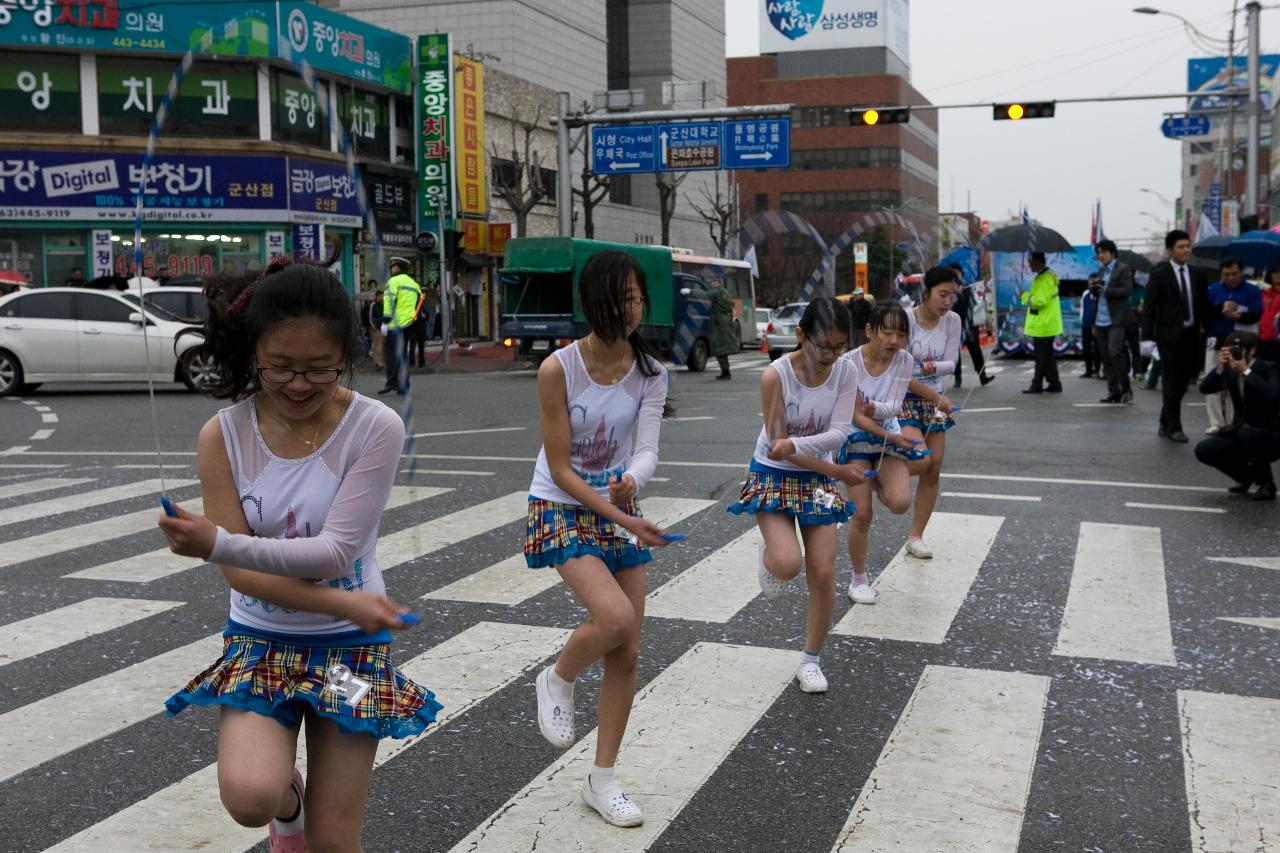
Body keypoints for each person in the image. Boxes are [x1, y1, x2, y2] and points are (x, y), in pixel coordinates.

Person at [156, 257, 440, 852]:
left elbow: (335, 552)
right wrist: (227, 552)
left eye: (320, 369)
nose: (298, 385)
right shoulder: (223, 434)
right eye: (280, 367)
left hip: (349, 654)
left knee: (335, 841)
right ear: (253, 351)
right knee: (249, 796)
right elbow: (242, 575)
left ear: (347, 355)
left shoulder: (375, 427)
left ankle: (308, 821)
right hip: (261, 644)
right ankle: (288, 806)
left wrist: (215, 543)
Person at [524, 250, 674, 828]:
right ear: (594, 304)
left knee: (628, 649)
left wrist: (633, 481)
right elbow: (561, 468)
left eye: (638, 297)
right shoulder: (558, 369)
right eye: (621, 299)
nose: (632, 309)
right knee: (615, 618)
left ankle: (602, 779)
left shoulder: (652, 373)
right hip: (562, 503)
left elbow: (648, 446)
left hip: (617, 503)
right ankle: (557, 677)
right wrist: (626, 516)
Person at [727, 297, 859, 695]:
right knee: (787, 565)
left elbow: (839, 433)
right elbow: (776, 443)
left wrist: (799, 445)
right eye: (823, 346)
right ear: (801, 336)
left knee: (823, 571)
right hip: (774, 474)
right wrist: (792, 448)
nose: (830, 356)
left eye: (838, 347)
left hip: (816, 478)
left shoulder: (845, 372)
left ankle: (810, 660)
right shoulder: (775, 376)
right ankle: (771, 558)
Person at [837, 301, 935, 604]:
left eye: (901, 335)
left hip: (887, 436)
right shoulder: (848, 363)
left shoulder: (904, 360)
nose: (894, 341)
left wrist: (879, 415)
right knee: (863, 514)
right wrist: (888, 431)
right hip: (855, 438)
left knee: (900, 503)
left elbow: (894, 405)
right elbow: (855, 416)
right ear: (869, 330)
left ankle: (877, 479)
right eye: (887, 333)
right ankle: (858, 579)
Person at [900, 267, 959, 559]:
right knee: (920, 457)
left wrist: (932, 368)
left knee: (934, 466)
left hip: (934, 399)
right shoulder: (906, 320)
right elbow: (900, 371)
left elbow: (952, 362)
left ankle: (916, 536)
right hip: (904, 397)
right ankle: (885, 477)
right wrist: (935, 392)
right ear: (927, 293)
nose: (947, 301)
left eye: (952, 295)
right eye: (942, 294)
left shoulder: (952, 321)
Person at [1140, 229, 1210, 443]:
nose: (1186, 250)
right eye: (1181, 247)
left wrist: (1208, 329)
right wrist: (1147, 338)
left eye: (1188, 246)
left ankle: (1164, 419)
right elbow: (1150, 307)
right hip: (1168, 337)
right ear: (1170, 250)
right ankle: (1174, 426)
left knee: (1183, 381)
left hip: (1191, 336)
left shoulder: (1198, 274)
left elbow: (1203, 306)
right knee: (1171, 381)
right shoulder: (1159, 274)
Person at [1193, 331, 1280, 500]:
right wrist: (1219, 366)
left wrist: (1247, 372)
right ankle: (1245, 477)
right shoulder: (1230, 370)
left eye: (1239, 350)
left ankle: (1266, 483)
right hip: (1241, 432)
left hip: (1270, 435)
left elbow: (1273, 395)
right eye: (1230, 351)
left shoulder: (1269, 368)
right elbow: (1205, 388)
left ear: (1252, 351)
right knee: (1204, 450)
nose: (1235, 355)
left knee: (1246, 433)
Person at [1204, 258, 1263, 435]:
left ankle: (1234, 420)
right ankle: (1216, 422)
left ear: (1241, 272)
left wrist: (1239, 314)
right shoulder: (1215, 289)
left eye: (1234, 274)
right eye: (1226, 275)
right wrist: (1220, 307)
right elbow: (1205, 311)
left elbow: (1257, 313)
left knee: (1236, 383)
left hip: (1241, 344)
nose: (1230, 278)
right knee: (1213, 380)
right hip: (1217, 342)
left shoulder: (1251, 290)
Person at [1094, 239, 1135, 404]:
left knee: (1114, 352)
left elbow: (1126, 290)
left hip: (1116, 319)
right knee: (1105, 357)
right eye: (1098, 252)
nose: (1100, 255)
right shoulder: (1101, 270)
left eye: (1103, 252)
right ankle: (1113, 391)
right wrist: (1093, 287)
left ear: (1112, 252)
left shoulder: (1123, 269)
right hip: (1100, 318)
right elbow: (1098, 293)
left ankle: (1126, 389)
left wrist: (1106, 289)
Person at [1020, 252, 1063, 394]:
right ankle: (1054, 383)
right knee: (1048, 356)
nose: (1029, 263)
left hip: (1044, 324)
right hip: (1046, 323)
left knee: (1041, 357)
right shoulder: (1044, 277)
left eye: (1031, 260)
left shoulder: (1044, 279)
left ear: (1038, 261)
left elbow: (1040, 301)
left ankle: (1036, 384)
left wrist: (1024, 296)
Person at [379, 257, 421, 394]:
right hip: (409, 324)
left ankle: (392, 381)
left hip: (394, 325)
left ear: (397, 268)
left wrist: (385, 321)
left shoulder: (393, 281)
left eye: (392, 266)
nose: (391, 269)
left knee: (391, 354)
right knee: (402, 354)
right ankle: (403, 385)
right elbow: (418, 304)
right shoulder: (414, 284)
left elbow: (389, 301)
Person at [948, 263, 993, 388]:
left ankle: (982, 375)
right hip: (955, 325)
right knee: (955, 352)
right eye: (953, 274)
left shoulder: (969, 288)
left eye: (957, 273)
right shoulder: (948, 291)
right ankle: (958, 378)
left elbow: (979, 304)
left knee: (976, 350)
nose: (956, 276)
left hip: (970, 324)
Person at [709, 284, 737, 379]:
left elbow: (706, 294)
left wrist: (690, 291)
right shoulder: (726, 293)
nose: (711, 284)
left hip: (720, 329)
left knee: (720, 352)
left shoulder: (718, 293)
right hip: (725, 327)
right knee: (722, 352)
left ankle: (726, 372)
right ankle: (725, 372)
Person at [1081, 274, 1102, 378]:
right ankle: (1088, 370)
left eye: (1094, 282)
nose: (1092, 284)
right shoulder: (1085, 294)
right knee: (1086, 348)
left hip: (1097, 325)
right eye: (1090, 282)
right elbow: (1082, 308)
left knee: (1098, 348)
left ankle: (1097, 370)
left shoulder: (1100, 294)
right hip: (1086, 324)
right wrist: (1083, 319)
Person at [1260, 267, 1280, 363]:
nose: (1277, 274)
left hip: (1277, 340)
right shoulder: (1264, 294)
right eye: (1275, 271)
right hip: (1262, 339)